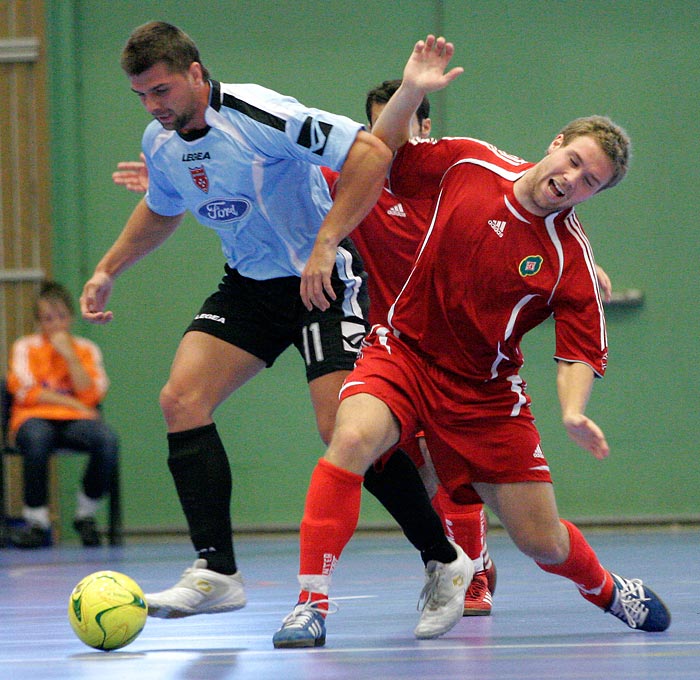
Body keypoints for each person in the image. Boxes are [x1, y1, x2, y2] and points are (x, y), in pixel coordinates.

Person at [272, 35, 670, 648]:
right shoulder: (467, 162)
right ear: (556, 144)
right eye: (573, 161)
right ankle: (310, 603)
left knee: (543, 542)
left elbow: (578, 351)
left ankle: (610, 591)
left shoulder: (569, 260)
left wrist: (572, 412)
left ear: (594, 195)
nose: (570, 180)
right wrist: (411, 91)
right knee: (350, 438)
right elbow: (384, 153)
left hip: (483, 393)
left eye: (589, 182)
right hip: (401, 349)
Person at [80, 21, 446, 621]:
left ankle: (441, 555)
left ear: (196, 73)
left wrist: (329, 241)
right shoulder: (161, 140)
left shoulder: (257, 113)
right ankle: (216, 570)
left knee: (342, 431)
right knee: (181, 399)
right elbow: (161, 206)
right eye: (142, 96)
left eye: (163, 90)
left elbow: (371, 152)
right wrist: (108, 268)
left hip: (321, 279)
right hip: (251, 284)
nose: (154, 106)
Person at [6, 281, 119, 548]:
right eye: (47, 318)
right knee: (36, 440)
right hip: (33, 418)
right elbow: (25, 391)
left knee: (107, 441)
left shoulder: (86, 349)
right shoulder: (25, 347)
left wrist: (69, 357)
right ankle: (37, 521)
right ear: (38, 322)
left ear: (70, 316)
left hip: (75, 422)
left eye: (60, 317)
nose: (55, 324)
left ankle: (85, 514)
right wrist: (77, 405)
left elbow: (92, 394)